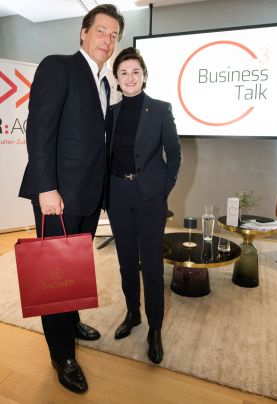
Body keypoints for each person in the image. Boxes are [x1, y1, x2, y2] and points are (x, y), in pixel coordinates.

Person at [19, 4, 124, 394]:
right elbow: (40, 130)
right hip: (57, 194)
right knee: (53, 274)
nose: (108, 40)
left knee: (75, 265)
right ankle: (62, 354)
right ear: (83, 33)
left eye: (114, 35)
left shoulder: (103, 82)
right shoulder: (58, 66)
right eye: (101, 31)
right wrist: (46, 188)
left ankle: (71, 317)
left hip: (87, 194)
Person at [107, 47, 181, 364]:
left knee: (151, 266)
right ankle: (133, 314)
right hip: (118, 197)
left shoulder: (161, 109)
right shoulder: (111, 113)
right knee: (126, 263)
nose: (130, 77)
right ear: (117, 79)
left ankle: (154, 328)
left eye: (135, 71)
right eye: (123, 72)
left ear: (144, 75)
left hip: (150, 198)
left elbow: (174, 154)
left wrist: (162, 189)